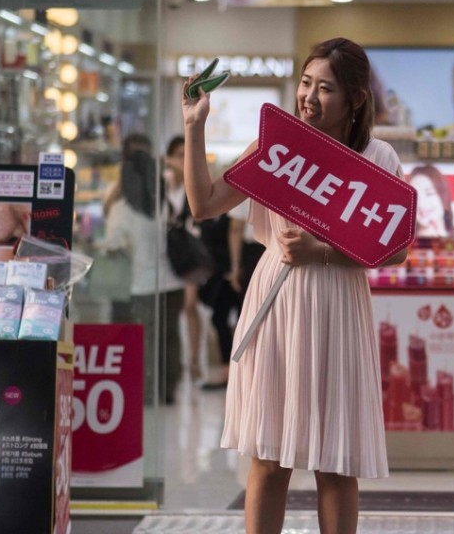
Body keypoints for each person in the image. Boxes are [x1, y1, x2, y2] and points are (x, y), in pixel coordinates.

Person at [182, 37, 406, 534]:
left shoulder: (378, 156)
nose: (309, 96)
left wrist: (323, 252)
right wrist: (193, 127)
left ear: (356, 99)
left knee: (336, 461)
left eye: (325, 88)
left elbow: (396, 247)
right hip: (276, 303)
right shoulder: (273, 144)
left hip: (338, 305)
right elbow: (203, 204)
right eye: (306, 83)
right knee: (269, 456)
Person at [103, 133, 186, 405]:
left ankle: (148, 392)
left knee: (146, 341)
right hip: (172, 281)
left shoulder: (123, 209)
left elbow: (112, 245)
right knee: (170, 338)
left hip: (142, 285)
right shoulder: (163, 201)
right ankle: (169, 389)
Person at [164, 135, 207, 383]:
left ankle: (193, 360)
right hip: (169, 250)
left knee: (190, 304)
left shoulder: (193, 180)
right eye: (177, 155)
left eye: (185, 154)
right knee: (178, 307)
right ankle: (181, 362)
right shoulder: (165, 182)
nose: (182, 160)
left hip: (188, 251)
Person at [407, 165, 454, 238]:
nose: (421, 204)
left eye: (429, 194)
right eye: (415, 196)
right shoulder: (403, 243)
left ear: (443, 195)